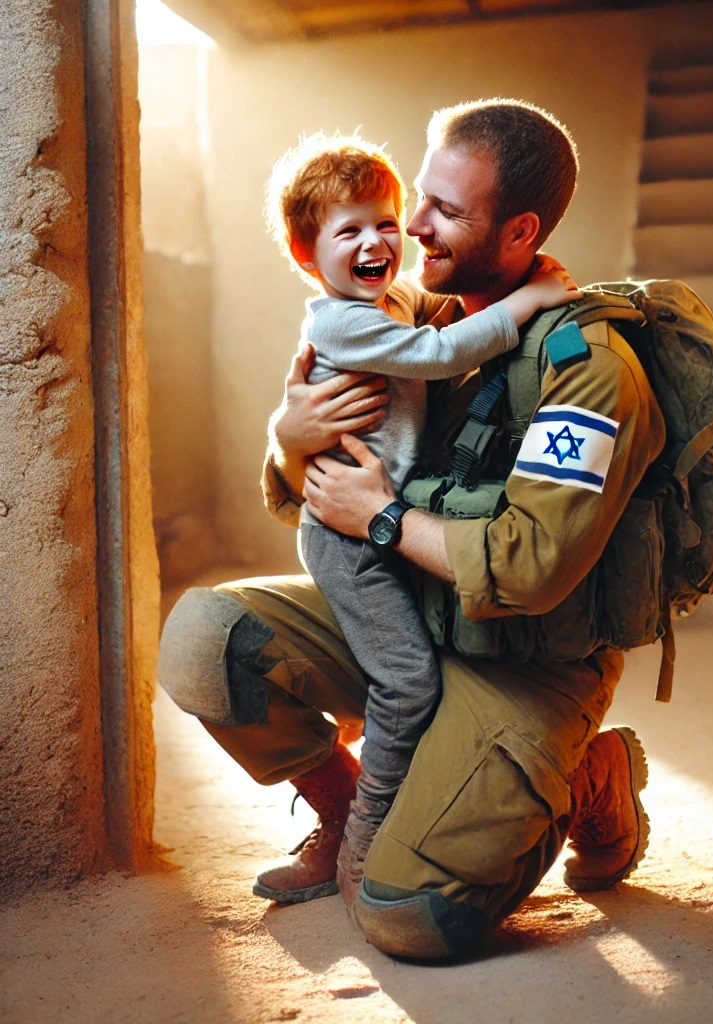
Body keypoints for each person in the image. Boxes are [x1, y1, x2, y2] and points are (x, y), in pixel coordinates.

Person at [158, 98, 667, 961]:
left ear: (520, 232)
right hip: (412, 610)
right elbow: (309, 492)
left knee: (409, 916)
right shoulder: (414, 315)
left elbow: (531, 568)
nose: (415, 227)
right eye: (419, 198)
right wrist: (289, 438)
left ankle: (589, 776)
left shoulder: (587, 371)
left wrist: (385, 518)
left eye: (446, 211)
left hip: (522, 661)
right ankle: (347, 812)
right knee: (206, 640)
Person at [262, 133, 583, 898]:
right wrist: (531, 299)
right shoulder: (342, 323)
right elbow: (440, 353)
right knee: (406, 683)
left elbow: (436, 312)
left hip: (403, 534)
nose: (382, 241)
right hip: (349, 542)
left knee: (409, 670)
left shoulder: (390, 299)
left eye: (388, 220)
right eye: (350, 231)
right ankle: (361, 833)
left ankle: (556, 779)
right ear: (307, 257)